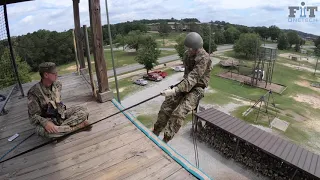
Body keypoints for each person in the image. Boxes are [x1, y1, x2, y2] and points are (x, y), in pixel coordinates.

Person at [152, 32, 213, 143]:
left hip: (197, 88)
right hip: (186, 85)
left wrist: (176, 89)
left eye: (190, 48)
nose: (188, 50)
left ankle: (165, 139)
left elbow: (194, 77)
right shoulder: (188, 55)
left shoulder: (204, 58)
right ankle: (155, 132)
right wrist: (176, 90)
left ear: (196, 48)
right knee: (166, 105)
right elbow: (187, 75)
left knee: (179, 113)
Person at [27, 62, 91, 138]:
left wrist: (62, 113)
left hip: (61, 115)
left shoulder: (57, 84)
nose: (57, 75)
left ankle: (61, 130)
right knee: (43, 132)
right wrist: (45, 123)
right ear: (46, 75)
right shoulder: (33, 93)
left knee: (84, 110)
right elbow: (33, 117)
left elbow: (58, 103)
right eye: (54, 73)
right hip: (47, 121)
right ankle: (78, 126)